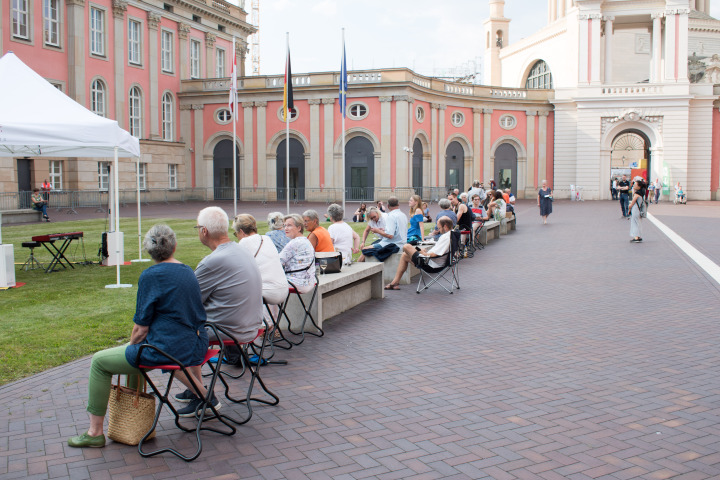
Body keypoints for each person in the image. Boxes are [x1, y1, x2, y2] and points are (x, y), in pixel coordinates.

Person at [67, 225, 211, 447]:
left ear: (149, 250)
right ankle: (199, 398)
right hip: (196, 343)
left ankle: (94, 432)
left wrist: (130, 344)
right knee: (137, 350)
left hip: (168, 349)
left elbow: (140, 329)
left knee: (99, 361)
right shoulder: (187, 270)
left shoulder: (151, 275)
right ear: (174, 246)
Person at [190, 207, 263, 387]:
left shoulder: (212, 261)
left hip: (232, 330)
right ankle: (197, 391)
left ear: (204, 231)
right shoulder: (242, 251)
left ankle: (198, 393)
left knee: (181, 332)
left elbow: (189, 301)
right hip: (252, 325)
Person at [232, 214, 288, 320]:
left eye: (236, 234)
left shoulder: (244, 243)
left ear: (241, 232)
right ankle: (271, 323)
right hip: (283, 289)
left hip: (268, 292)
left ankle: (260, 325)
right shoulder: (266, 239)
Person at [383, 217, 454, 290]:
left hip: (431, 264)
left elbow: (434, 255)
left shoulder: (446, 237)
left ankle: (394, 283)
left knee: (406, 246)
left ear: (445, 226)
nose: (438, 230)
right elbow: (438, 251)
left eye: (439, 228)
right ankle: (395, 283)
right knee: (404, 255)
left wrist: (423, 253)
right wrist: (424, 252)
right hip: (434, 262)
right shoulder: (452, 234)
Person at [360, 196, 407, 262]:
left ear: (387, 206)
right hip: (400, 242)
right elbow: (395, 231)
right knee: (366, 250)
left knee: (365, 250)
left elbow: (390, 235)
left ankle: (357, 269)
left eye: (374, 217)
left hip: (392, 244)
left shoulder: (390, 216)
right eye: (371, 218)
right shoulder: (403, 215)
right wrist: (363, 242)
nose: (373, 219)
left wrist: (378, 231)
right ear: (398, 204)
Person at [279, 214, 317, 293]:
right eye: (284, 225)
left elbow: (277, 262)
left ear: (299, 228)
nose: (285, 228)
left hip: (296, 283)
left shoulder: (294, 243)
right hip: (310, 282)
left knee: (265, 285)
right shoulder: (306, 241)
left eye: (289, 225)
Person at [628, 179, 646, 243]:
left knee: (634, 223)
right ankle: (638, 236)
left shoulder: (637, 194)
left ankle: (636, 237)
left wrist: (629, 209)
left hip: (635, 209)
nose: (633, 185)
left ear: (639, 186)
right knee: (638, 223)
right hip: (639, 209)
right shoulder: (642, 193)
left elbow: (632, 203)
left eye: (635, 185)